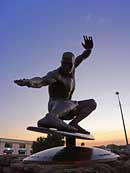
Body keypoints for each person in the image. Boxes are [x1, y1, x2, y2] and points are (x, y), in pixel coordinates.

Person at [14, 36, 97, 134]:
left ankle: (74, 123)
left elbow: (83, 56)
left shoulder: (73, 69)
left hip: (69, 108)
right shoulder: (55, 75)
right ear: (61, 63)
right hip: (55, 107)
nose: (66, 67)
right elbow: (41, 81)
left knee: (91, 103)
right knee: (70, 103)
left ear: (73, 64)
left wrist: (89, 49)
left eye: (69, 65)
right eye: (64, 64)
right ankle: (50, 118)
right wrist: (28, 82)